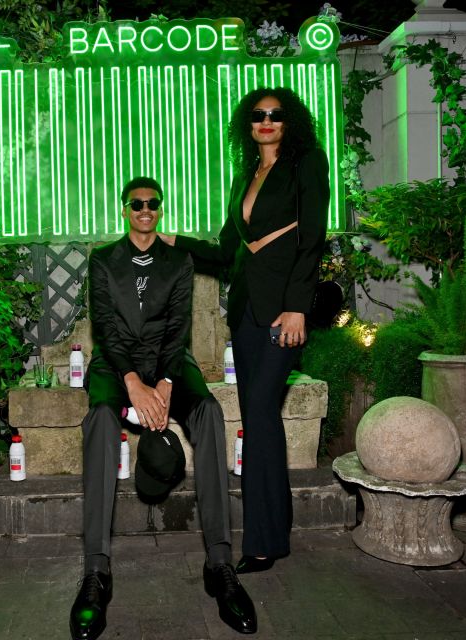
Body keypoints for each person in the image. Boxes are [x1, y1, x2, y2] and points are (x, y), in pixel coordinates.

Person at [69, 177, 257, 639]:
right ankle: (96, 571)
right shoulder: (102, 260)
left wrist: (167, 381)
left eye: (153, 204)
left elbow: (178, 327)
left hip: (169, 358)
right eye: (137, 204)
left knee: (209, 411)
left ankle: (219, 564)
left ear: (160, 210)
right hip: (116, 364)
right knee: (99, 418)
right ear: (125, 209)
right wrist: (133, 382)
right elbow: (105, 327)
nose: (145, 210)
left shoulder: (178, 261)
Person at [159, 87, 330, 573]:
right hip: (248, 313)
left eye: (276, 114)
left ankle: (261, 542)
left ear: (290, 120)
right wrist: (171, 240)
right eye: (258, 115)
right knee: (260, 420)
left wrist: (297, 307)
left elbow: (312, 239)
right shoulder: (245, 176)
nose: (266, 121)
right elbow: (225, 252)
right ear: (247, 124)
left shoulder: (306, 164)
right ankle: (274, 529)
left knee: (258, 411)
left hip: (282, 313)